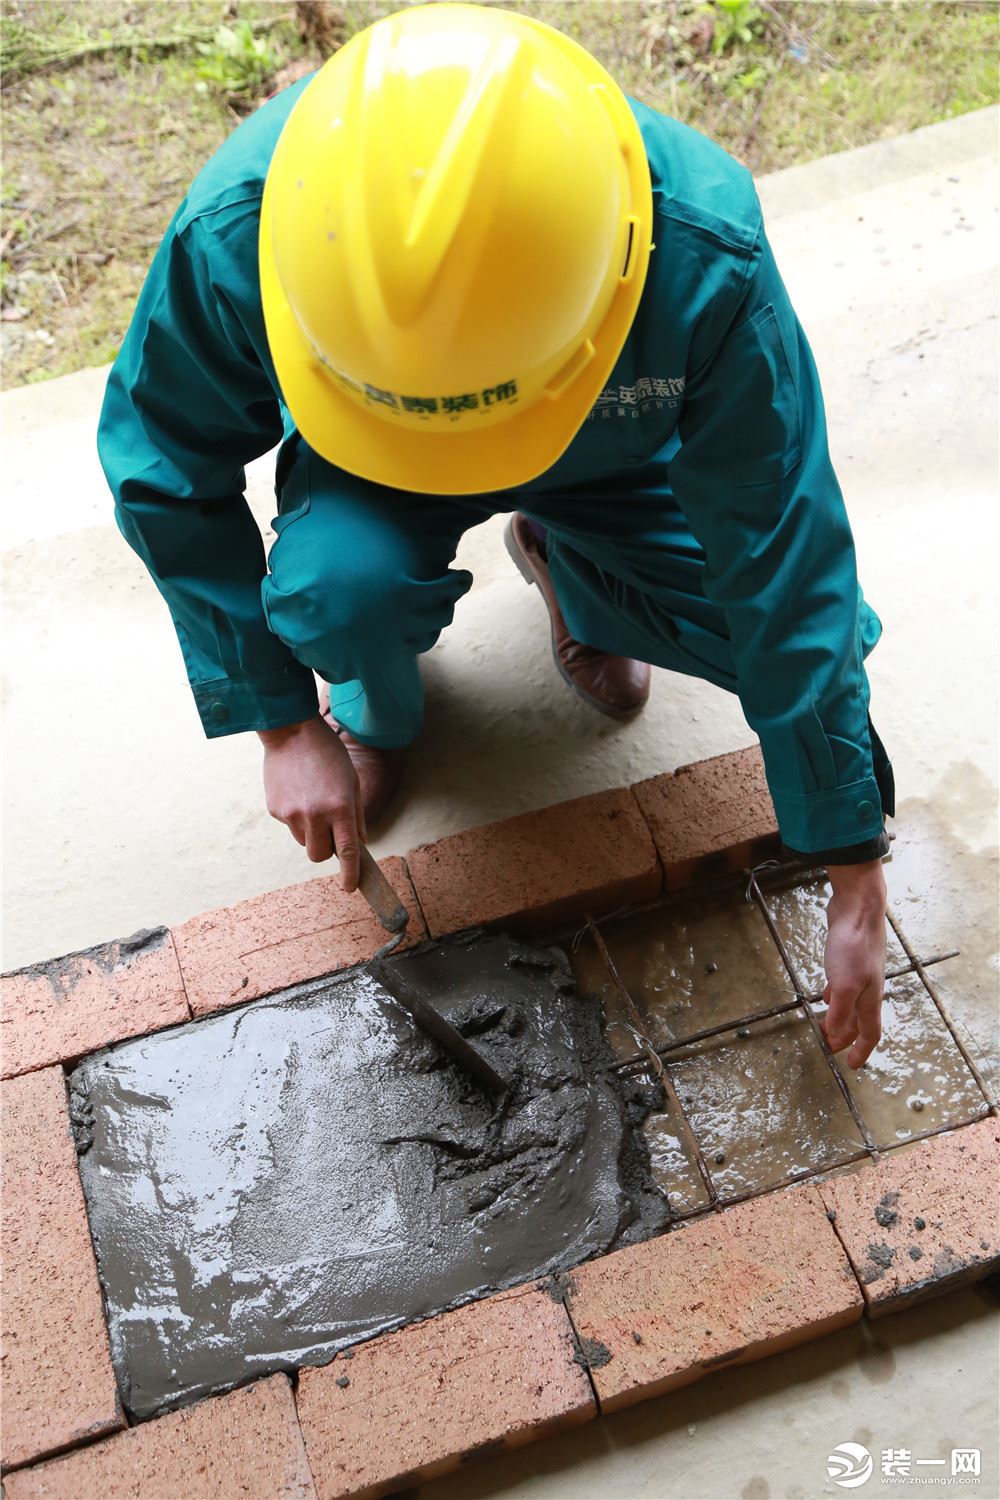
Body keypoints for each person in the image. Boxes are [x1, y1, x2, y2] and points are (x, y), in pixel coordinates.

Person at [98, 3, 894, 1068]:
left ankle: (570, 566)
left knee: (794, 636)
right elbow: (165, 467)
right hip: (369, 464)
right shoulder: (245, 229)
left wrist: (850, 854)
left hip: (604, 448)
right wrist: (283, 722)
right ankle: (372, 705)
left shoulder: (697, 250)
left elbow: (783, 556)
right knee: (337, 592)